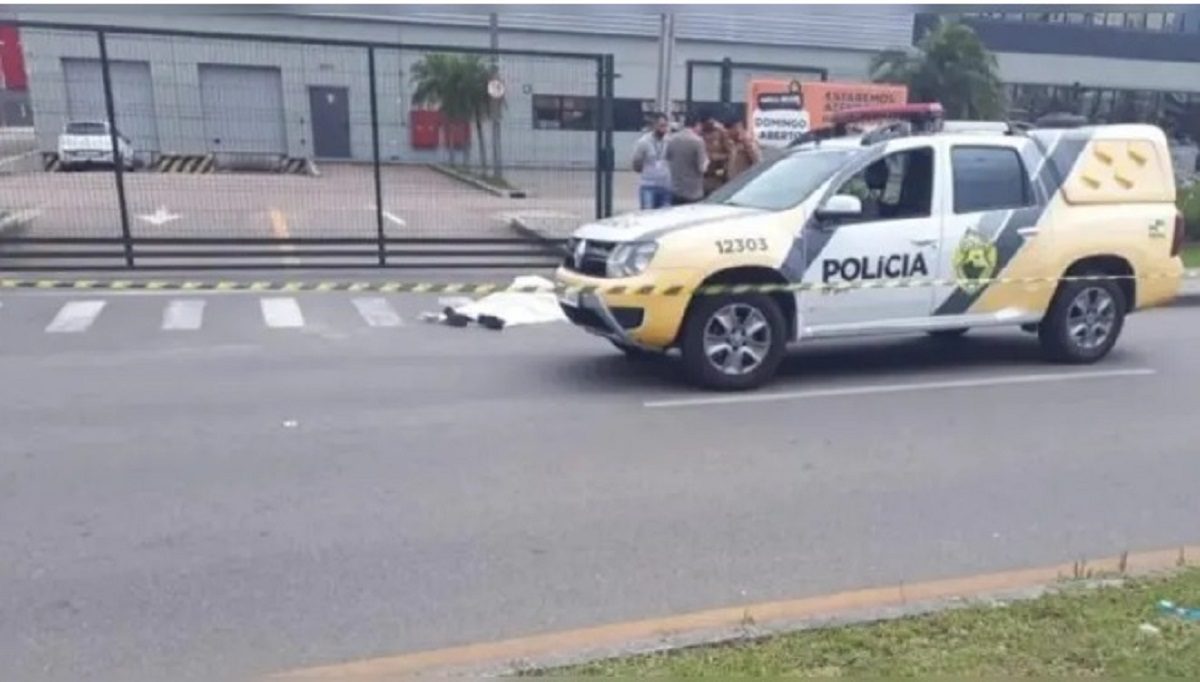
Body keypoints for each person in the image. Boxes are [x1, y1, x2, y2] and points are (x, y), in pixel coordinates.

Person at [631, 113, 672, 210]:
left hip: (665, 186)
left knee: (665, 217)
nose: (664, 129)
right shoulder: (644, 142)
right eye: (661, 126)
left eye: (666, 126)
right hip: (649, 186)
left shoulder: (669, 141)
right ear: (654, 125)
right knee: (647, 216)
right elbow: (636, 163)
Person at [665, 113, 708, 206]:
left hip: (676, 190)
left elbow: (667, 158)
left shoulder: (672, 139)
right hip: (693, 192)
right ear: (697, 125)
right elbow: (702, 168)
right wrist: (707, 161)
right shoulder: (698, 141)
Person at [700, 110, 733, 196]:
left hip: (717, 171)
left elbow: (731, 153)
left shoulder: (721, 132)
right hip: (701, 174)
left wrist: (717, 157)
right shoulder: (700, 132)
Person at [725, 116, 761, 180]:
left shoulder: (748, 144)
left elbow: (758, 163)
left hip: (745, 180)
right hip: (733, 181)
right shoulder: (731, 144)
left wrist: (747, 144)